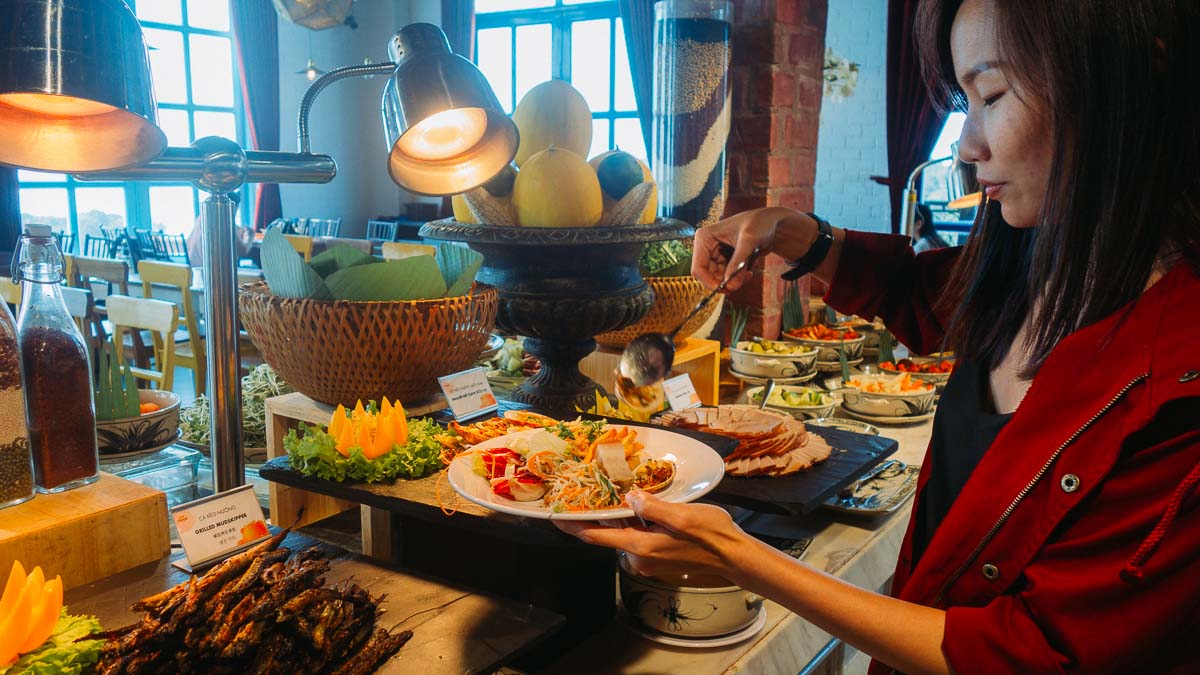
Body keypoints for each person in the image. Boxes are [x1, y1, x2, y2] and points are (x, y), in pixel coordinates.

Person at [557, 0, 1200, 672]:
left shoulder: (1178, 382)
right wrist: (793, 230)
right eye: (965, 102)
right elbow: (921, 293)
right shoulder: (1034, 260)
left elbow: (1027, 653)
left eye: (992, 94)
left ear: (1132, 84)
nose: (966, 144)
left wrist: (741, 557)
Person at [186, 191, 254, 267]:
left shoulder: (201, 217)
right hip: (213, 271)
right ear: (232, 206)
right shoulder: (225, 218)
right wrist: (250, 237)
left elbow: (188, 243)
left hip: (194, 270)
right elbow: (243, 251)